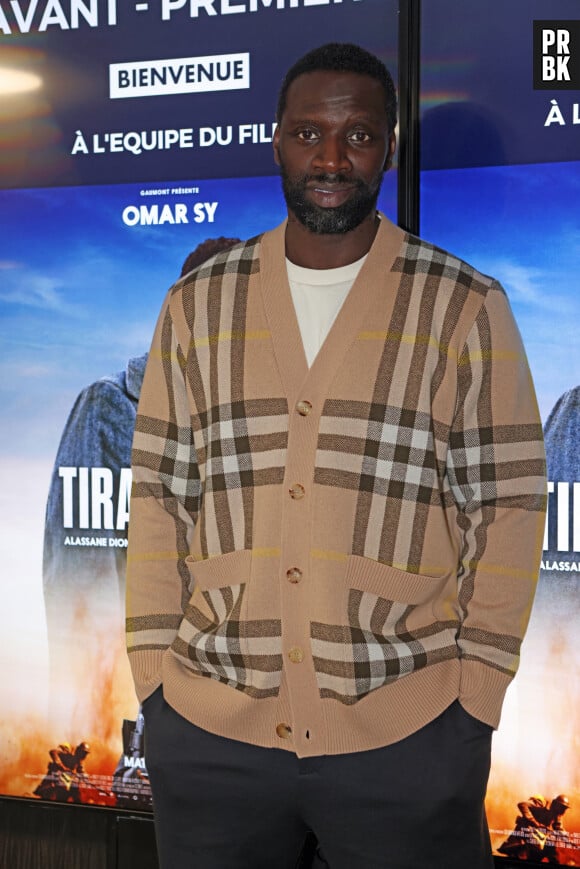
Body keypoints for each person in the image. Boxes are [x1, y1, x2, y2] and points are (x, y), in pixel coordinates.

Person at [126, 43, 546, 869]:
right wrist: (154, 681)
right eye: (309, 131)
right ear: (276, 139)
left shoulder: (463, 303)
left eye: (357, 135)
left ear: (388, 146)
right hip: (213, 737)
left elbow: (509, 504)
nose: (330, 155)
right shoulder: (197, 303)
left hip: (407, 733)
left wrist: (475, 701)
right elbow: (158, 495)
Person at [42, 237, 241, 735]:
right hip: (144, 728)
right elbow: (80, 582)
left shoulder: (251, 422)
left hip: (240, 727)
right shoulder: (111, 409)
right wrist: (97, 733)